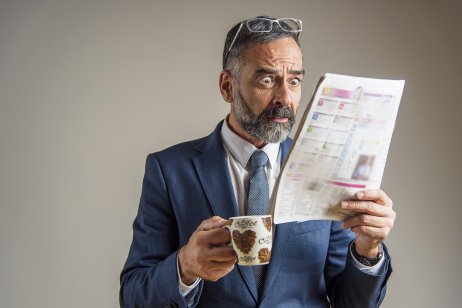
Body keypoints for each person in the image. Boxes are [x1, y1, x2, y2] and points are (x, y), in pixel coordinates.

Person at [120, 16, 395, 308]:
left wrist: (367, 250)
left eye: (294, 81)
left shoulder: (326, 170)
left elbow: (352, 303)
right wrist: (185, 266)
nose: (285, 98)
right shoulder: (169, 171)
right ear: (227, 86)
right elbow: (133, 297)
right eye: (267, 79)